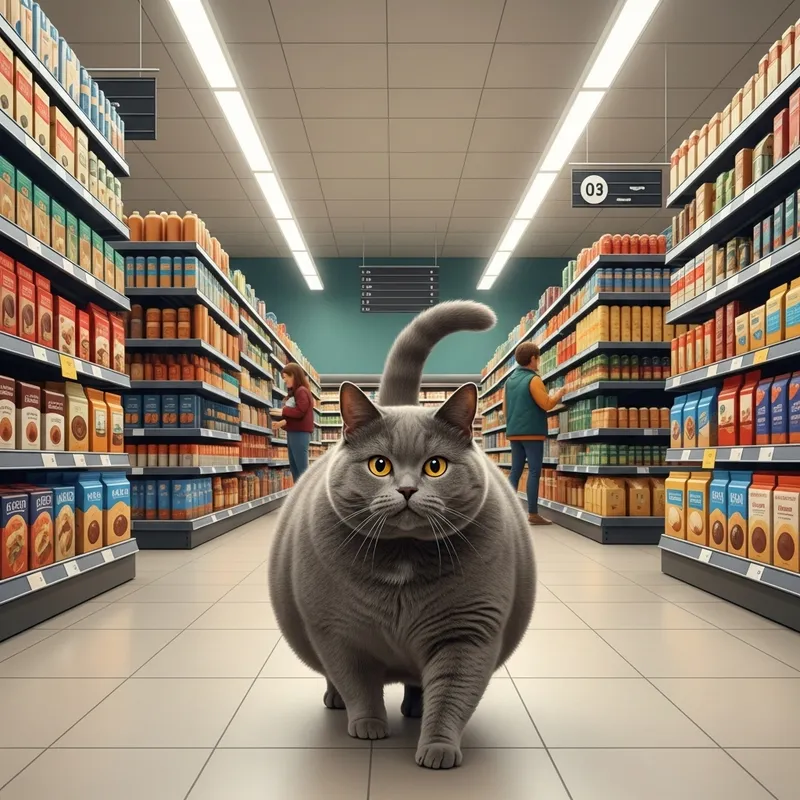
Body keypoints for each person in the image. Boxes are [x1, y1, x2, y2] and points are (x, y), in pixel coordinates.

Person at [504, 342, 565, 525]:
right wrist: (559, 393)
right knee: (534, 471)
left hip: (514, 433)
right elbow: (546, 403)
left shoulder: (509, 381)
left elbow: (505, 411)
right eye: (538, 358)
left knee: (515, 471)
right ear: (533, 359)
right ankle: (533, 513)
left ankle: (507, 512)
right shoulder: (534, 379)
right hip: (532, 433)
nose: (539, 362)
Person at [270, 362, 314, 481]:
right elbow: (298, 416)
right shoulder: (298, 392)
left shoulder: (301, 391)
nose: (284, 381)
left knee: (301, 469)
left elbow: (300, 411)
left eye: (285, 377)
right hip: (294, 432)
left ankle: (306, 497)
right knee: (295, 468)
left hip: (299, 434)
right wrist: (281, 423)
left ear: (293, 375)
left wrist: (283, 411)